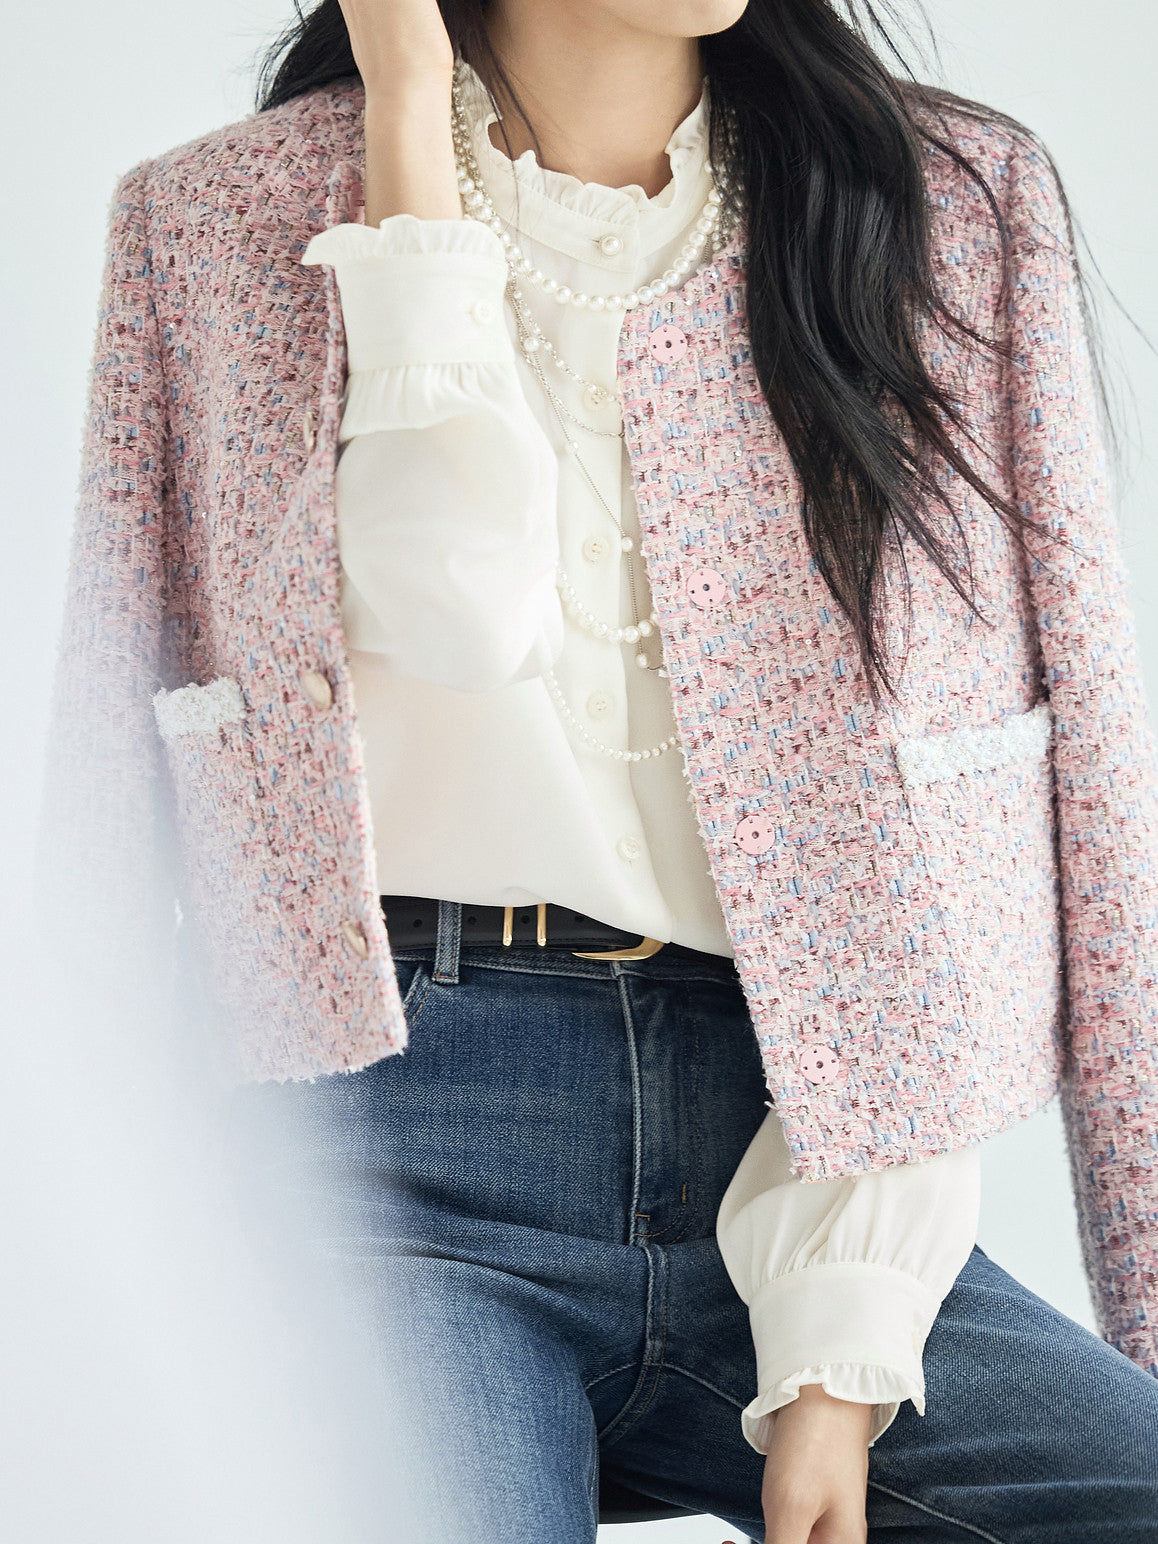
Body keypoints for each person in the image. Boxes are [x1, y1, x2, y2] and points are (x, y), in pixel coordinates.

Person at [39, 1, 1158, 1540]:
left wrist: (847, 1322)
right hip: (381, 1175)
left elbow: (1010, 806)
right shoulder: (215, 221)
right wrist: (406, 109)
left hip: (807, 1127)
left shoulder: (946, 199)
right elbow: (407, 636)